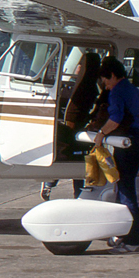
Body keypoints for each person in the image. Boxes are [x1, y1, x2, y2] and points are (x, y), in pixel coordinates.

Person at [95, 55, 139, 254]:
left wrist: (101, 134)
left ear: (113, 75)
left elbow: (115, 119)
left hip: (127, 143)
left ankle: (132, 242)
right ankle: (121, 235)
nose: (106, 86)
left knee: (126, 192)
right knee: (124, 187)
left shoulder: (117, 92)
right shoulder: (134, 90)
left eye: (106, 81)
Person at [40, 52, 102, 200]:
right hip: (80, 130)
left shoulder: (76, 87)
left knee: (65, 154)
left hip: (71, 130)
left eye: (80, 65)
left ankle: (49, 183)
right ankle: (77, 193)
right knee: (78, 162)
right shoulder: (93, 87)